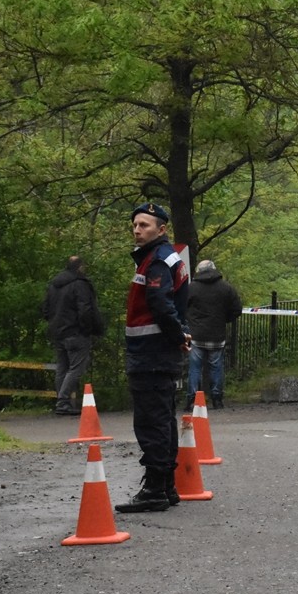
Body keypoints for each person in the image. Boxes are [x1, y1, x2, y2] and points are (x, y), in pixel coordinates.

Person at [117, 202, 191, 513]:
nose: (137, 230)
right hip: (157, 353)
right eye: (135, 225)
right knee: (163, 420)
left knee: (151, 423)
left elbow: (161, 304)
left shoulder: (157, 260)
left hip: (151, 354)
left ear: (161, 229)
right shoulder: (163, 257)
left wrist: (177, 336)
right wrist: (179, 336)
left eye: (144, 225)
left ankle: (155, 489)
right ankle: (167, 486)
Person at [41, 255, 106, 416]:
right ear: (80, 267)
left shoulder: (54, 285)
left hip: (58, 332)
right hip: (76, 333)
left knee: (62, 368)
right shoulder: (80, 284)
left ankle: (61, 402)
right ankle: (63, 401)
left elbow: (45, 309)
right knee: (76, 368)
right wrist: (87, 329)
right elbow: (85, 309)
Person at [182, 259, 243, 411]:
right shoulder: (226, 287)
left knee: (195, 368)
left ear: (198, 271)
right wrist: (224, 319)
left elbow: (181, 308)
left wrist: (190, 322)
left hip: (196, 335)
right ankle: (217, 399)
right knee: (216, 367)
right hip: (217, 334)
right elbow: (237, 309)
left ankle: (192, 400)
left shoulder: (191, 288)